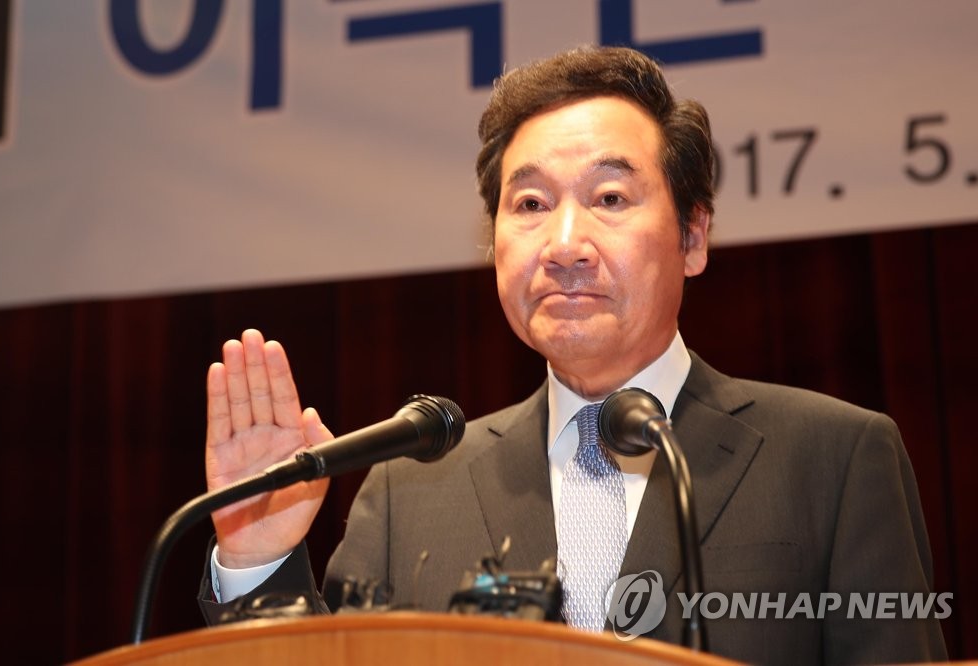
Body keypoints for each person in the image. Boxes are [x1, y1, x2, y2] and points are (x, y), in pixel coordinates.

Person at [196, 46, 947, 664]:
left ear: (693, 237)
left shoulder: (834, 457)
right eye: (529, 205)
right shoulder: (409, 489)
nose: (564, 245)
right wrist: (260, 560)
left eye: (610, 198)